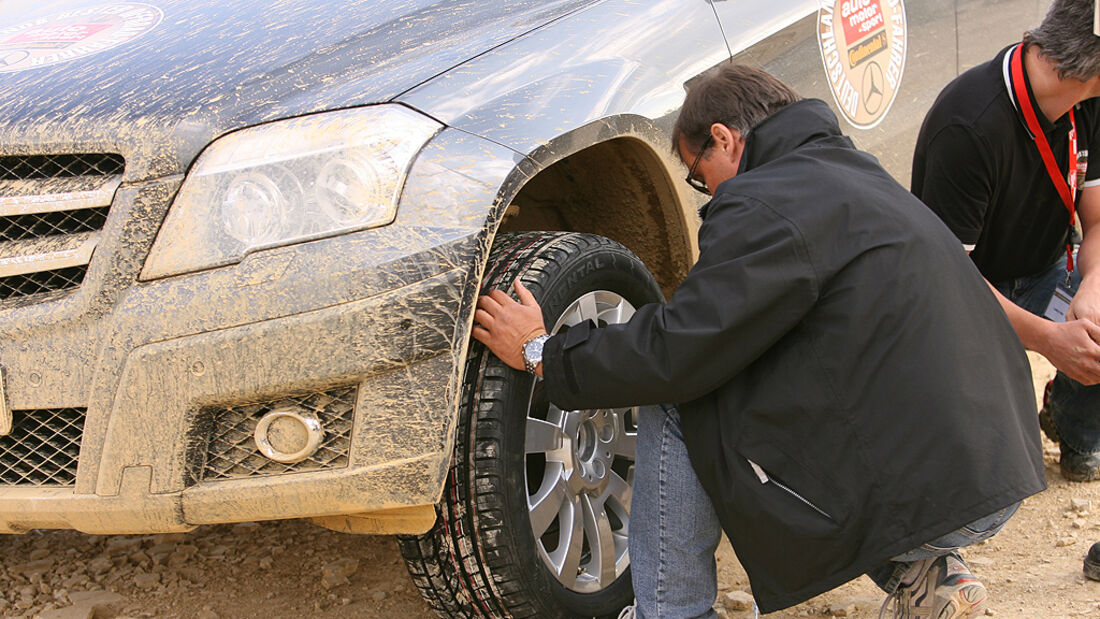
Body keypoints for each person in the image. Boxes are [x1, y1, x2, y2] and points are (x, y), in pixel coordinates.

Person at [473, 64, 1045, 617]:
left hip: (941, 494)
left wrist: (541, 351)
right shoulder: (854, 171)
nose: (705, 191)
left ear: (724, 139)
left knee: (686, 396)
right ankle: (918, 575)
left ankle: (672, 613)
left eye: (698, 174)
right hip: (994, 465)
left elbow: (676, 352)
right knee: (763, 384)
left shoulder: (766, 201)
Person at [911, 0, 1100, 481]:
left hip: (1046, 269)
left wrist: (1091, 289)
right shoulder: (968, 125)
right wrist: (1051, 340)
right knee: (985, 466)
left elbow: (1097, 222)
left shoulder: (1090, 102)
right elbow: (949, 281)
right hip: (966, 294)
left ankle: (1075, 428)